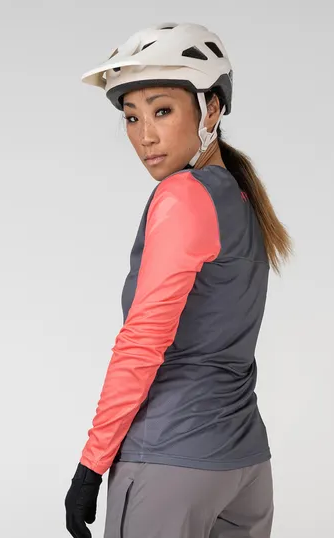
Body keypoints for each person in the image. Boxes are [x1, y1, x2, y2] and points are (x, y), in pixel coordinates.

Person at [65, 22, 292, 538]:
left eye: (162, 111)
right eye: (131, 117)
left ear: (211, 109)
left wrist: (91, 465)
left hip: (170, 463)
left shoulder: (183, 195)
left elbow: (143, 340)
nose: (144, 135)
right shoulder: (243, 201)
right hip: (247, 468)